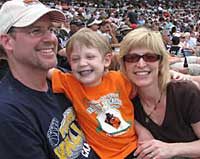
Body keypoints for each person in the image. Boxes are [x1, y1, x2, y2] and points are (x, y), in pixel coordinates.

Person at [0, 0, 86, 158]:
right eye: (36, 31)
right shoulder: (8, 113)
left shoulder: (61, 78)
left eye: (51, 29)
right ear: (8, 42)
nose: (51, 39)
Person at [49, 28, 138, 158]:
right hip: (104, 156)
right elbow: (41, 69)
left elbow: (148, 83)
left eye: (90, 57)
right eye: (75, 59)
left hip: (134, 148)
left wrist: (171, 73)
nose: (82, 63)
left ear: (106, 60)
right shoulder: (70, 83)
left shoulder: (120, 79)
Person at [119, 27, 200, 158]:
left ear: (161, 62)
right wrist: (138, 126)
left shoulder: (185, 93)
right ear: (124, 64)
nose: (140, 64)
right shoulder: (125, 100)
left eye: (149, 57)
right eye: (132, 58)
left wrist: (172, 149)